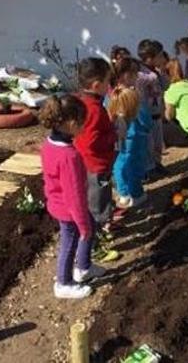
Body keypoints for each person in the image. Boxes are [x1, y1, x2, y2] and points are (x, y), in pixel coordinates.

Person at [39, 94, 105, 299]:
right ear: (70, 123)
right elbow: (74, 196)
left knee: (90, 228)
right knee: (71, 241)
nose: (84, 127)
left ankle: (84, 267)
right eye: (81, 123)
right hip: (68, 210)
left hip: (60, 202)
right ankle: (63, 282)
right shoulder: (70, 156)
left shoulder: (49, 144)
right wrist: (82, 224)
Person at [72, 58, 118, 263]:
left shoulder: (81, 103)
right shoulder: (95, 110)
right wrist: (112, 135)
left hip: (89, 164)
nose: (110, 86)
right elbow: (91, 142)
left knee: (99, 199)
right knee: (96, 205)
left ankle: (101, 229)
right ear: (96, 85)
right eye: (108, 81)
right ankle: (94, 247)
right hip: (96, 165)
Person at [107, 79, 151, 210]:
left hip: (119, 147)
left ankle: (123, 194)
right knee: (135, 170)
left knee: (119, 168)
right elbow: (147, 124)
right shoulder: (136, 113)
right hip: (136, 144)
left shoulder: (115, 116)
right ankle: (137, 195)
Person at [136, 40, 168, 177]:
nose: (162, 58)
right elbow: (140, 97)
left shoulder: (156, 72)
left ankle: (157, 163)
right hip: (146, 115)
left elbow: (165, 87)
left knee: (158, 142)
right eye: (160, 55)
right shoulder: (141, 75)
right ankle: (149, 168)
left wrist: (163, 73)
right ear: (150, 58)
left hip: (156, 113)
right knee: (148, 144)